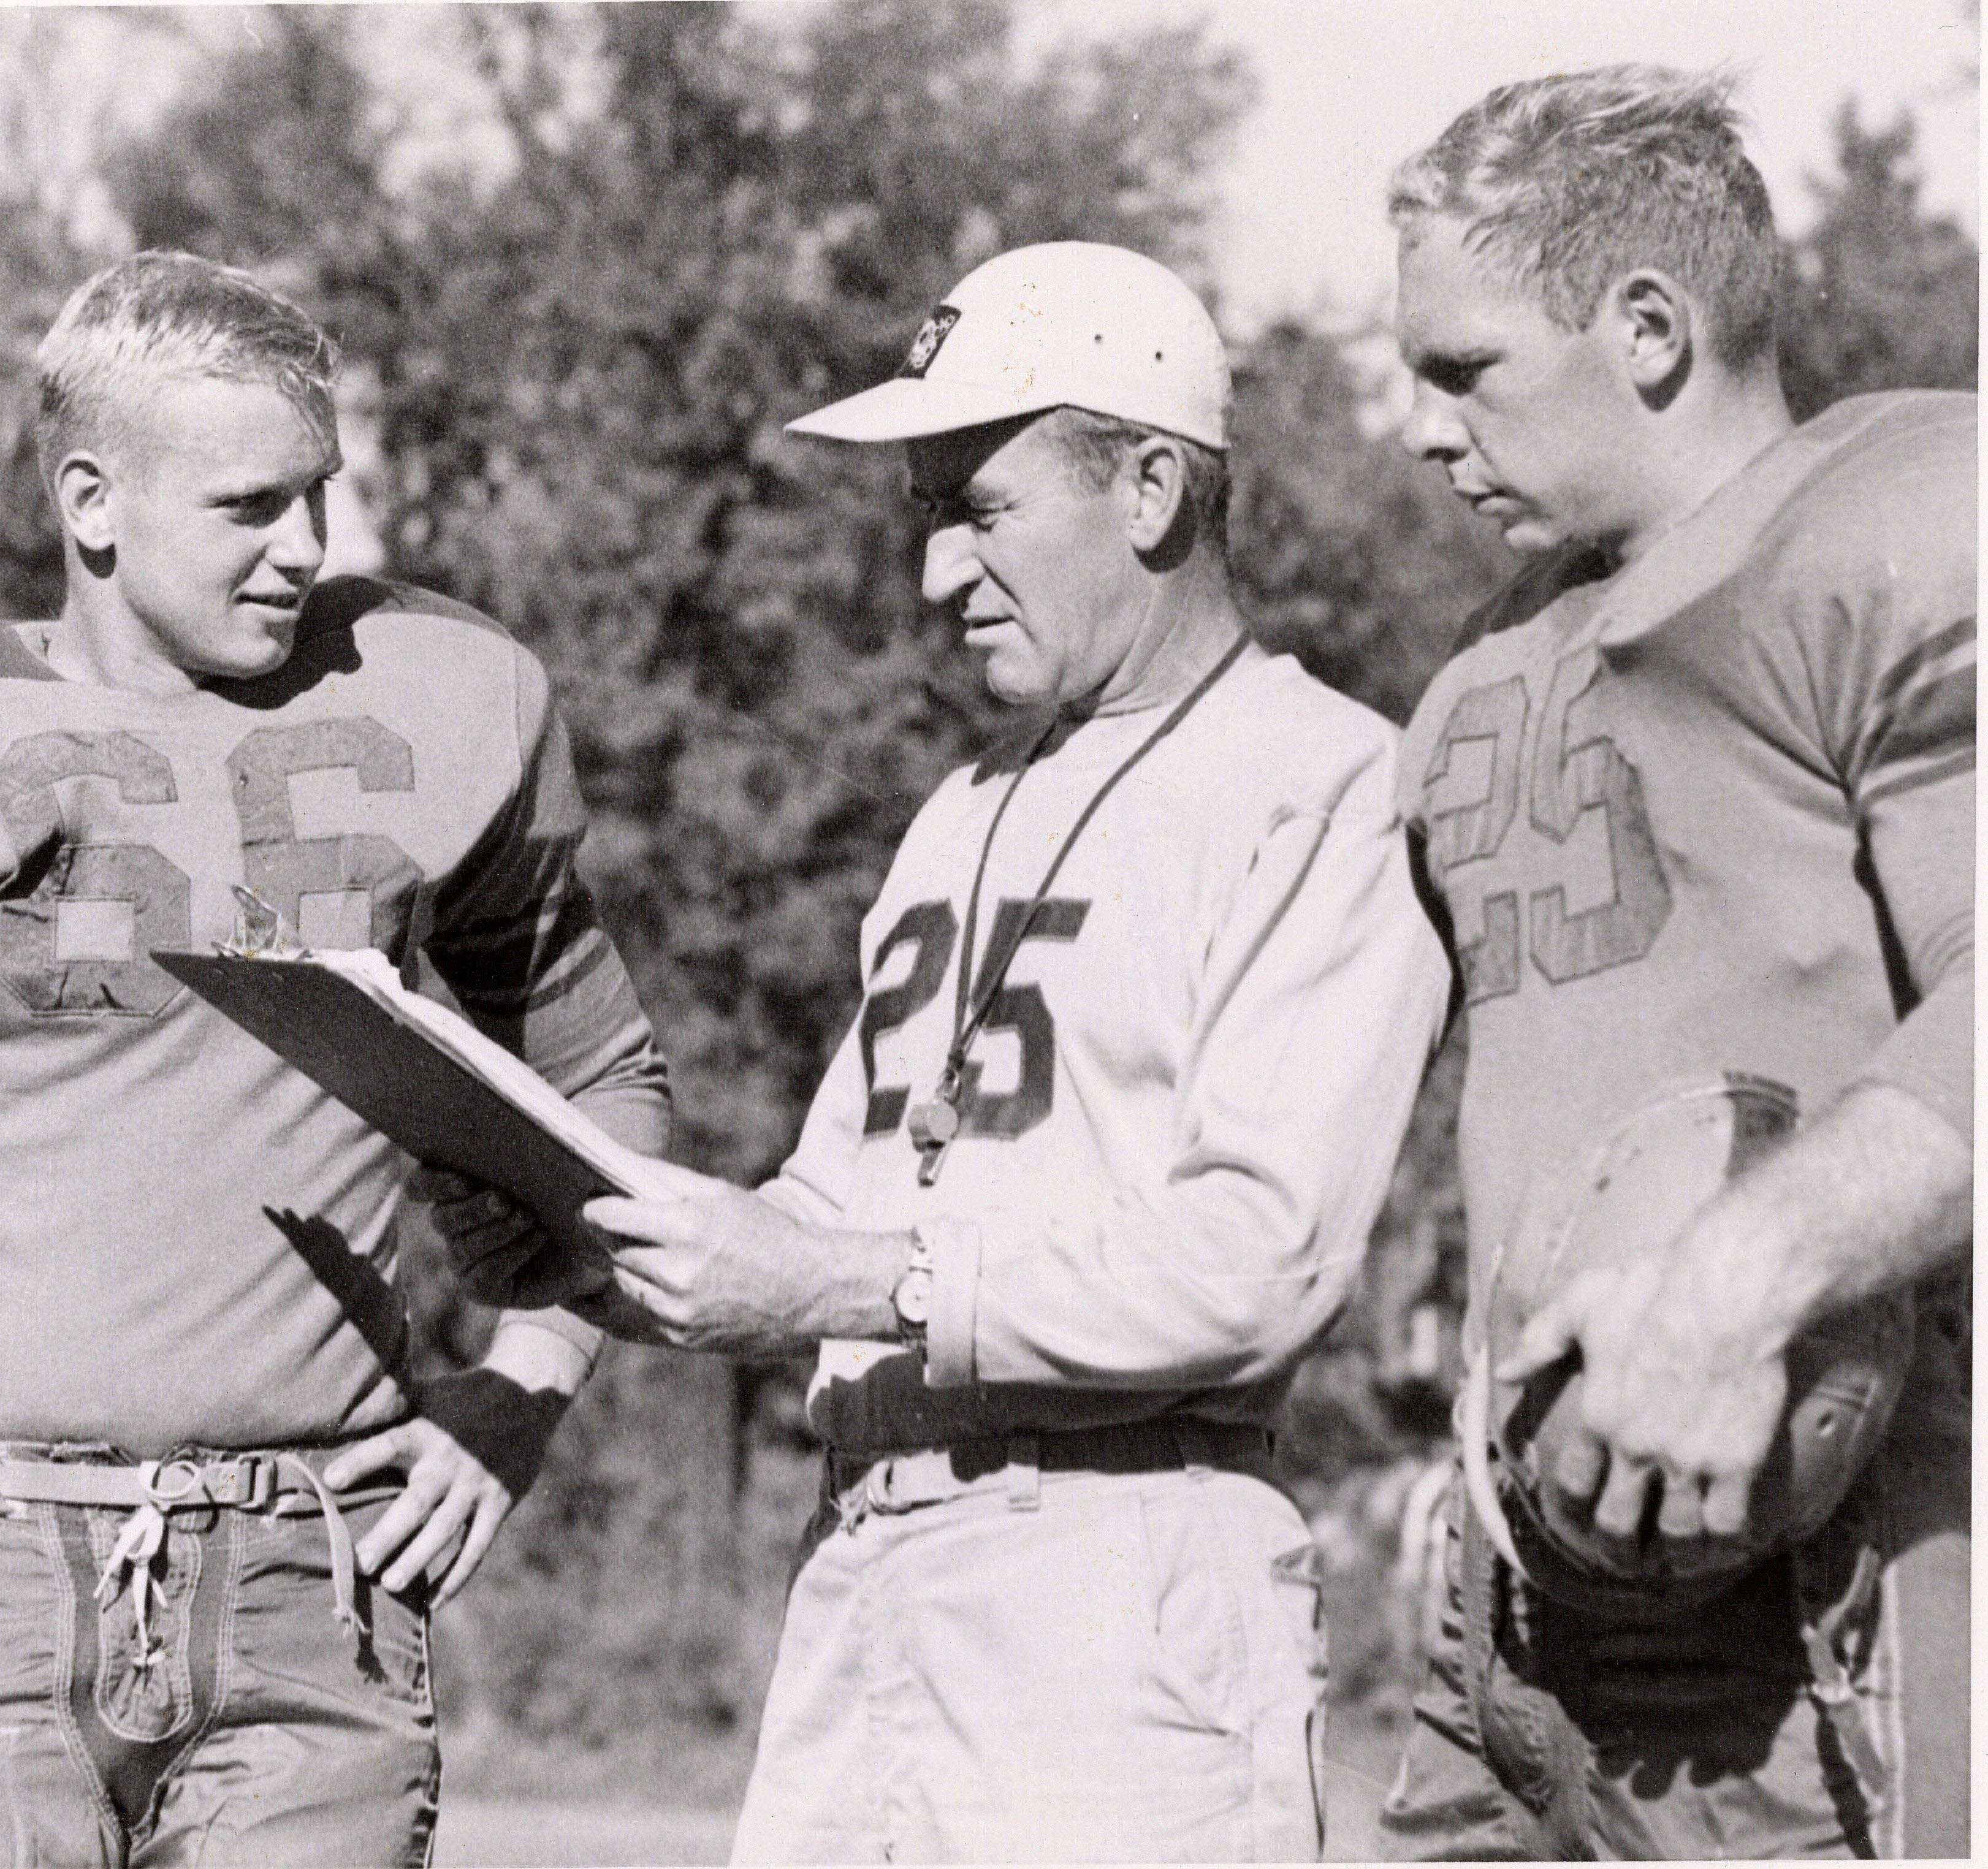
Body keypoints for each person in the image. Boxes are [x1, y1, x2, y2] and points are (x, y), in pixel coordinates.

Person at [432, 240, 1451, 1862]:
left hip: (1121, 1570)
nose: (931, 573)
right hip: (870, 1556)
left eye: (977, 506)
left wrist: (847, 1285)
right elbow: (824, 1207)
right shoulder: (964, 804)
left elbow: (1258, 1257)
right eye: (926, 515)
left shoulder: (1324, 782)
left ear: (1150, 487)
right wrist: (581, 1244)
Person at [0, 251, 669, 1867]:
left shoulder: (443, 690)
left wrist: (527, 1386)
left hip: (317, 1583)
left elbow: (608, 1083)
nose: (307, 549)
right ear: (91, 501)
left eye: (321, 496)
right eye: (250, 506)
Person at [1378, 66, 1972, 1859]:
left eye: (1460, 367)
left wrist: (1732, 1289)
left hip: (1823, 1599)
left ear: (1644, 328)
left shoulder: (1899, 511)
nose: (1419, 429)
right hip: (1517, 1598)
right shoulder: (1484, 657)